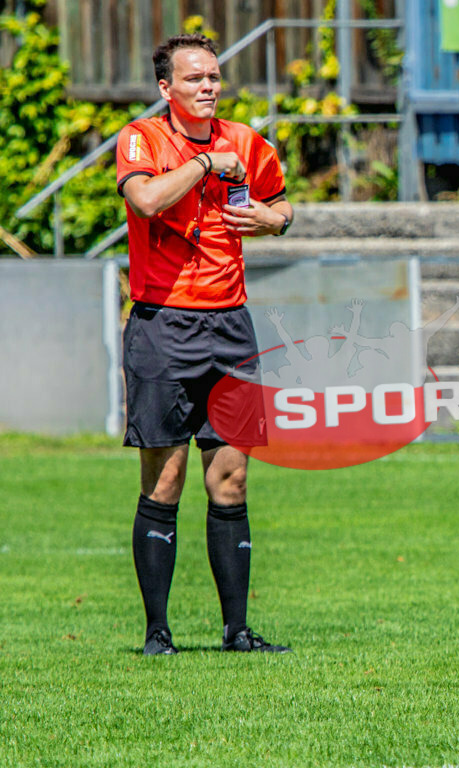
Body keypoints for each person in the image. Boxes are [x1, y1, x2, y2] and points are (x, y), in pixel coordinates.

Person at [116, 34, 294, 655]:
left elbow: (282, 205)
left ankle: (237, 631)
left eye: (214, 77)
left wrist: (273, 219)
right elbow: (143, 200)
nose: (209, 87)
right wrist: (202, 166)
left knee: (233, 480)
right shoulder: (143, 138)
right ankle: (158, 633)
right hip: (163, 325)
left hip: (230, 326)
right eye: (194, 79)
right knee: (165, 482)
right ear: (167, 89)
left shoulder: (245, 140)